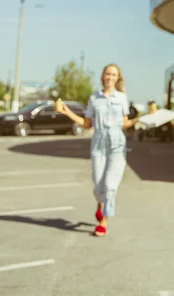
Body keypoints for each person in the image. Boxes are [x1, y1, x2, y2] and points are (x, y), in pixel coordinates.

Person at [60, 63, 140, 237]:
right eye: (107, 74)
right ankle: (100, 203)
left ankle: (103, 220)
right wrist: (68, 113)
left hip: (117, 143)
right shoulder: (94, 98)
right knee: (98, 185)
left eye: (113, 75)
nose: (110, 77)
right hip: (99, 142)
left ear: (117, 78)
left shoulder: (122, 98)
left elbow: (125, 123)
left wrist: (138, 121)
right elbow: (87, 123)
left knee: (110, 185)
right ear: (103, 76)